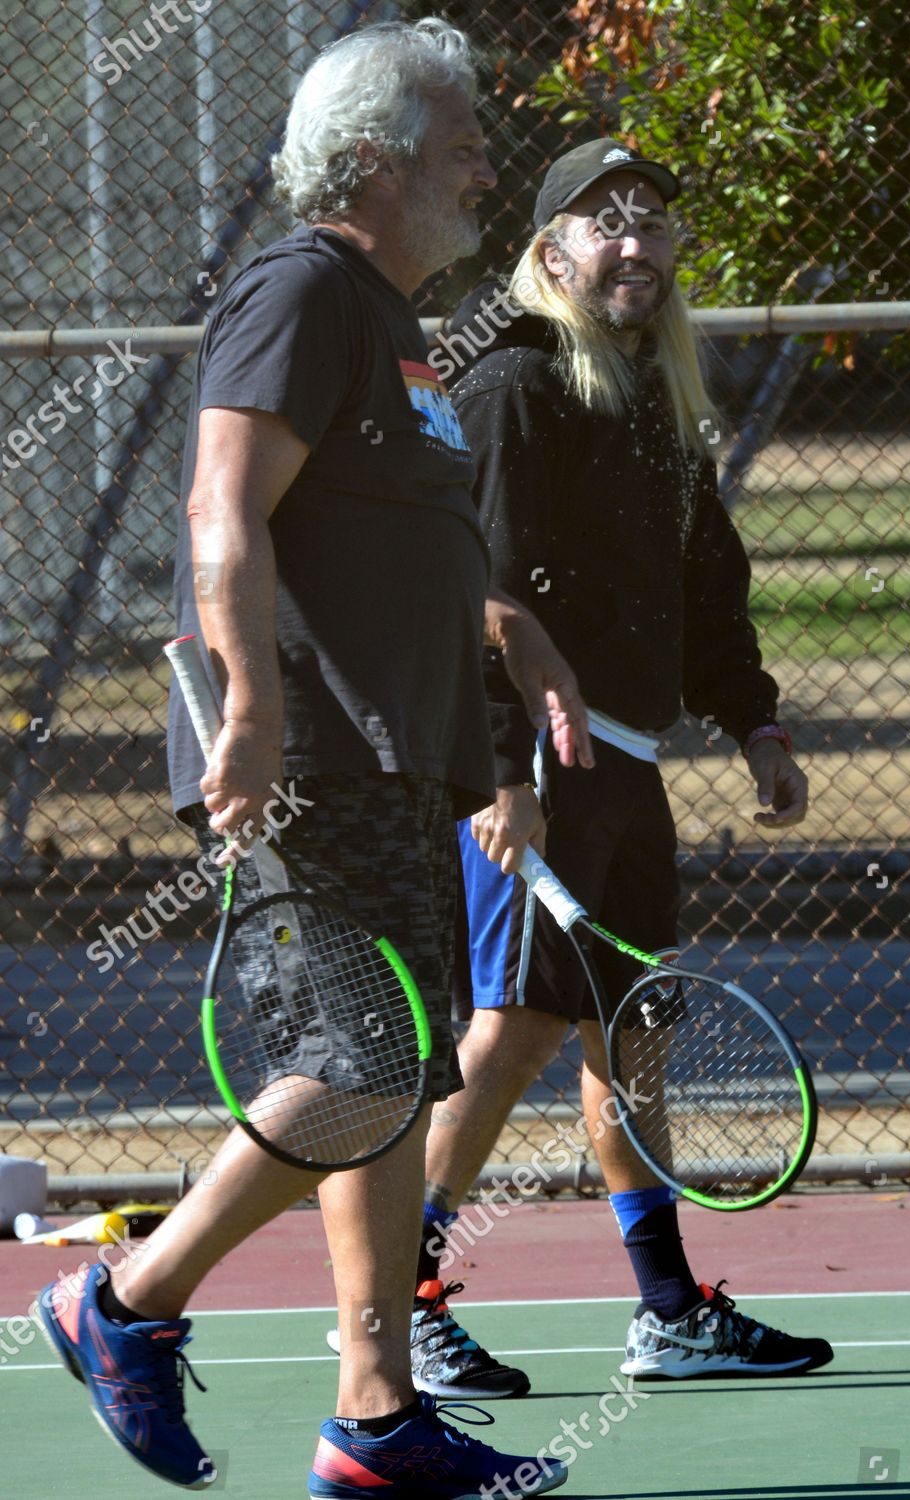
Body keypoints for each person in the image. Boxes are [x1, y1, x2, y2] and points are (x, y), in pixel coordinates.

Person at [34, 23, 584, 1496]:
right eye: (463, 134)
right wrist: (254, 716)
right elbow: (225, 511)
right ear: (381, 157)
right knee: (360, 1063)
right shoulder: (302, 288)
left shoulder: (393, 329)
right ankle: (123, 1300)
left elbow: (380, 542)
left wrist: (500, 642)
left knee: (397, 1080)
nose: (486, 159)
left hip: (394, 761)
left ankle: (377, 1419)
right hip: (304, 760)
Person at [338, 139, 834, 1401]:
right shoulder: (513, 388)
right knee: (509, 1033)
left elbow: (706, 578)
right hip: (535, 766)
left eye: (655, 224)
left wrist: (753, 721)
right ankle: (404, 1303)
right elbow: (479, 599)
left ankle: (668, 1312)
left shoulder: (656, 400)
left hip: (626, 763)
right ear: (551, 254)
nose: (636, 243)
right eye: (604, 222)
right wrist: (503, 778)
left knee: (635, 1031)